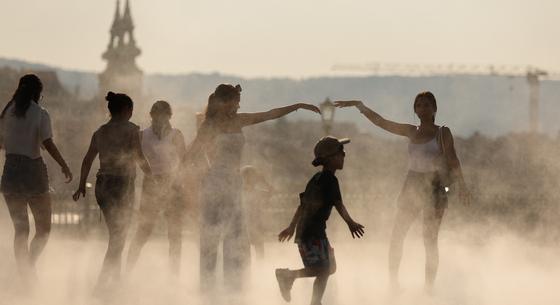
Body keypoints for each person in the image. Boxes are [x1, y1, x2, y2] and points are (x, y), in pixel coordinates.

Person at [186, 84, 321, 293]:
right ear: (224, 101)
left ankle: (233, 286)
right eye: (235, 101)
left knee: (235, 235)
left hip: (234, 183)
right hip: (214, 183)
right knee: (211, 236)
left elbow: (269, 114)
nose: (238, 105)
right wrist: (200, 173)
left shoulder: (239, 121)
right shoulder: (209, 125)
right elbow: (192, 154)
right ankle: (208, 288)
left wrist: (298, 105)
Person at [334, 92, 470, 293]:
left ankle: (429, 288)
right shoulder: (411, 131)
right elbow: (381, 123)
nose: (422, 108)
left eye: (426, 105)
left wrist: (463, 186)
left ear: (434, 109)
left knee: (429, 239)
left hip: (435, 186)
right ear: (415, 109)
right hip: (413, 183)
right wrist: (359, 105)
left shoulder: (443, 132)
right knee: (397, 234)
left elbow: (453, 160)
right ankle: (393, 283)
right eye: (419, 105)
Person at [72, 91, 151, 293]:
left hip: (103, 185)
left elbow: (88, 159)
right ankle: (103, 285)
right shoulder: (132, 130)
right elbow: (140, 157)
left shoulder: (99, 132)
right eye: (131, 109)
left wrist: (82, 184)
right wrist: (153, 176)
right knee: (118, 237)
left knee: (117, 236)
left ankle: (114, 282)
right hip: (123, 185)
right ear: (126, 110)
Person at [0, 74, 72, 285]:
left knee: (21, 230)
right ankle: (29, 267)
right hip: (33, 172)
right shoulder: (41, 113)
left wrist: (15, 143)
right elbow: (47, 143)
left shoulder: (7, 112)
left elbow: (1, 143)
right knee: (44, 229)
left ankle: (23, 274)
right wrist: (63, 164)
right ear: (38, 93)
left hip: (11, 171)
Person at [275, 136, 365, 305]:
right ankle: (288, 276)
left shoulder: (316, 179)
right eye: (341, 152)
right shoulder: (329, 180)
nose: (344, 156)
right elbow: (338, 204)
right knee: (322, 269)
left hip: (311, 230)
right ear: (329, 158)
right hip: (311, 232)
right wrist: (351, 223)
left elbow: (302, 205)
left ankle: (315, 301)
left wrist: (292, 227)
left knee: (329, 268)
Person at [126, 100, 187, 276]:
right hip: (151, 184)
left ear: (169, 116)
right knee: (143, 230)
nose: (160, 119)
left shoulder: (176, 135)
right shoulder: (142, 135)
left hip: (172, 184)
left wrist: (179, 183)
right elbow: (136, 158)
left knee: (174, 233)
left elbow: (183, 162)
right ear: (151, 115)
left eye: (164, 116)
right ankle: (127, 270)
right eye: (157, 115)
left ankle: (174, 275)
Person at [241, 165, 273, 260]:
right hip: (245, 225)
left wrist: (263, 181)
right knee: (245, 252)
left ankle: (260, 269)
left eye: (254, 177)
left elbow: (271, 191)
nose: (254, 179)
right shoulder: (241, 192)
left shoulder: (257, 192)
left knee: (259, 251)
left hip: (255, 224)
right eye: (252, 177)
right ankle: (247, 271)